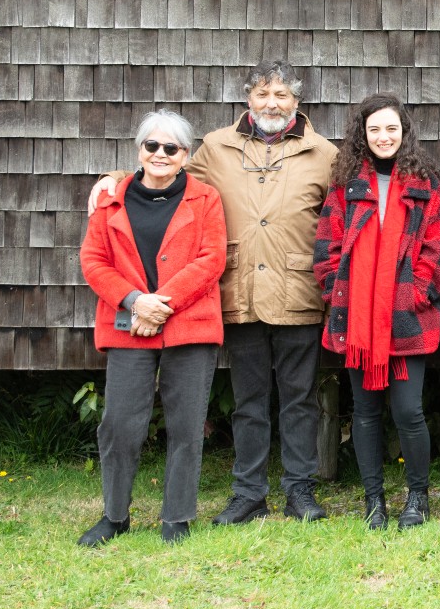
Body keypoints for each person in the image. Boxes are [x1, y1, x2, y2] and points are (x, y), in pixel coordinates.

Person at [90, 60, 337, 524]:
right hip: (238, 293)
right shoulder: (216, 148)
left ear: (297, 103)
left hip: (298, 291)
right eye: (263, 93)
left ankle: (300, 491)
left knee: (300, 398)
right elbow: (164, 172)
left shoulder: (324, 153)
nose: (272, 103)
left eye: (282, 95)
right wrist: (112, 178)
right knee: (248, 400)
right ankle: (248, 493)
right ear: (247, 98)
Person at [78, 110, 226, 545]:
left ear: (186, 155)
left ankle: (177, 516)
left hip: (190, 322)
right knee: (120, 423)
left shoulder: (206, 199)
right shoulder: (110, 199)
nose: (160, 154)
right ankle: (114, 516)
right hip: (126, 322)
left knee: (186, 424)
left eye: (171, 148)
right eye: (152, 146)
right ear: (139, 149)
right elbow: (93, 261)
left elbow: (211, 258)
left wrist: (162, 303)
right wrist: (135, 301)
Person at [314, 93, 440, 530]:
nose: (383, 136)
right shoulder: (345, 187)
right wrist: (340, 290)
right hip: (357, 321)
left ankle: (418, 497)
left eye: (391, 128)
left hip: (407, 317)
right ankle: (373, 500)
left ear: (404, 132)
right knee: (365, 412)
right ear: (363, 134)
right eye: (374, 129)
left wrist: (416, 292)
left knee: (409, 411)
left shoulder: (426, 185)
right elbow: (327, 248)